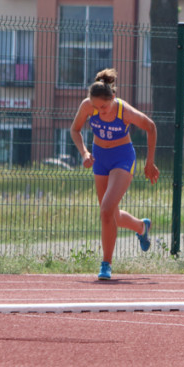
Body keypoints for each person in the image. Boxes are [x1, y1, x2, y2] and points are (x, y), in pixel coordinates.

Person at [69, 68, 159, 281]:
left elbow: (151, 127)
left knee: (106, 209)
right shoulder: (87, 106)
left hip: (122, 158)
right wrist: (84, 153)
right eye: (96, 106)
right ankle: (141, 226)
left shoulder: (123, 110)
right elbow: (75, 130)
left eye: (104, 107)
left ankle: (106, 264)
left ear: (113, 99)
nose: (100, 111)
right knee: (111, 214)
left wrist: (150, 162)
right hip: (100, 158)